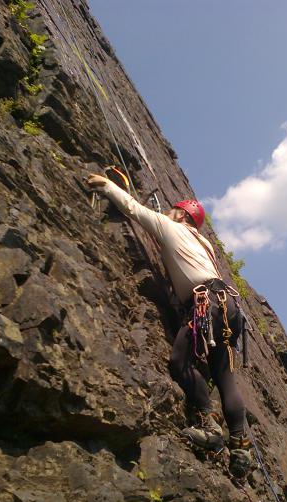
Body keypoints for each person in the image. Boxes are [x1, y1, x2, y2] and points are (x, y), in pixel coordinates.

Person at [87, 173, 251, 477]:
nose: (167, 213)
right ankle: (240, 445)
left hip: (205, 304)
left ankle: (210, 425)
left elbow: (134, 210)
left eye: (172, 211)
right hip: (229, 307)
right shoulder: (205, 245)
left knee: (179, 362)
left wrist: (105, 185)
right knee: (225, 376)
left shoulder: (171, 227)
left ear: (181, 214)